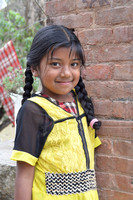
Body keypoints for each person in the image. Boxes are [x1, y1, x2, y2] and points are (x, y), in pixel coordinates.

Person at [11, 25, 101, 200]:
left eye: (74, 64)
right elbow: (24, 175)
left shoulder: (82, 103)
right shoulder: (34, 110)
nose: (66, 73)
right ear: (34, 69)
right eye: (55, 64)